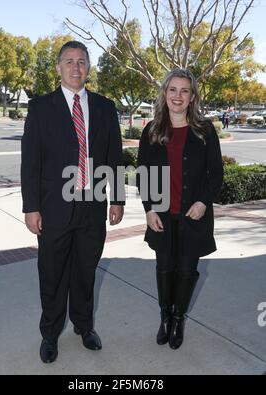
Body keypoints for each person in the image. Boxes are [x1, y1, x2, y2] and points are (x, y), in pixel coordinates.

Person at [21, 41, 125, 364]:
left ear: (88, 68)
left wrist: (117, 199)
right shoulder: (40, 108)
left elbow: (114, 157)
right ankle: (50, 334)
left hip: (92, 207)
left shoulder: (106, 108)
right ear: (58, 68)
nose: (75, 67)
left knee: (84, 272)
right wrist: (31, 207)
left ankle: (84, 326)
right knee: (51, 274)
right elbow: (30, 162)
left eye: (81, 62)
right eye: (69, 61)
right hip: (54, 209)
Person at [137, 68, 223, 350]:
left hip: (193, 215)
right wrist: (149, 209)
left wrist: (202, 201)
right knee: (164, 268)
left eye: (184, 90)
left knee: (186, 270)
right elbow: (143, 173)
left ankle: (178, 318)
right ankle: (164, 317)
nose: (178, 96)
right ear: (165, 93)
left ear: (192, 96)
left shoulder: (205, 130)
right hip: (162, 214)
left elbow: (215, 174)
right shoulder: (152, 130)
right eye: (173, 89)